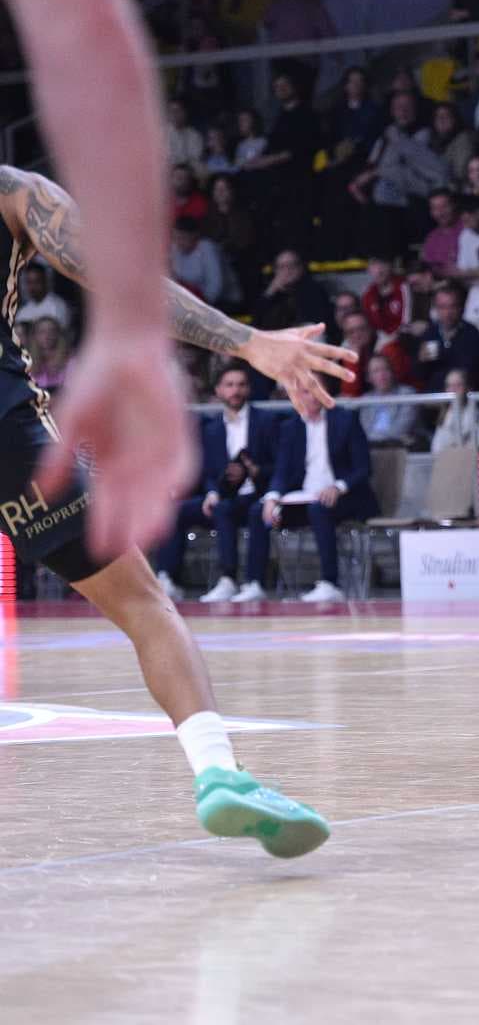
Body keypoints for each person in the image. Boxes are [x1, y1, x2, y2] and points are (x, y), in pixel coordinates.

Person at [0, 163, 351, 857]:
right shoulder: (15, 192)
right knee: (143, 606)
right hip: (7, 437)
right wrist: (249, 341)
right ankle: (218, 771)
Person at [154, 363, 281, 603]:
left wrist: (256, 471)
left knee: (234, 510)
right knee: (174, 511)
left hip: (258, 495)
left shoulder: (267, 422)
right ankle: (167, 578)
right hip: (223, 496)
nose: (236, 390)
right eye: (230, 385)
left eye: (241, 385)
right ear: (219, 391)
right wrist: (212, 491)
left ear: (249, 389)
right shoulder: (210, 428)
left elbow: (281, 466)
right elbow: (204, 470)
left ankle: (238, 580)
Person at [236, 404, 379, 604]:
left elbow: (363, 468)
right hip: (304, 498)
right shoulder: (290, 427)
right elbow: (282, 470)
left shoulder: (346, 419)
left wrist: (338, 487)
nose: (306, 397)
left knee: (319, 509)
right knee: (258, 510)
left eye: (311, 390)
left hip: (346, 498)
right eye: (301, 392)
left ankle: (330, 583)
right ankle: (254, 583)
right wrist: (272, 496)